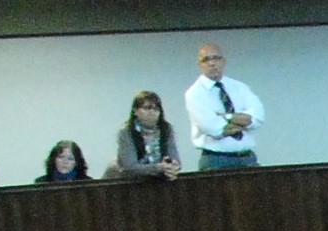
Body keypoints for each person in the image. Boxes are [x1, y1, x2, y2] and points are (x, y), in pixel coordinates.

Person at [185, 42, 265, 171]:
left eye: (216, 58)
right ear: (200, 65)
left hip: (247, 158)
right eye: (206, 60)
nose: (212, 63)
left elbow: (258, 118)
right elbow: (214, 129)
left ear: (223, 61)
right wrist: (243, 122)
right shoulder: (195, 93)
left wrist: (226, 117)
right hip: (216, 161)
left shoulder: (240, 87)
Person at [108, 90, 181, 181]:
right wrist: (158, 168)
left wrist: (172, 167)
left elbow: (175, 159)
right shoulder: (126, 131)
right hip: (123, 182)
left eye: (156, 109)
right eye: (147, 108)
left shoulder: (166, 129)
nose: (152, 112)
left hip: (155, 180)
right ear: (135, 111)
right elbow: (129, 167)